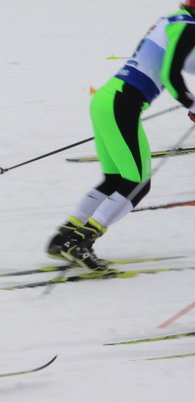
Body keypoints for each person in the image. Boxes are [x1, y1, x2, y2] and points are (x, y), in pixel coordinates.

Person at [47, 2, 195, 270]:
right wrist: (191, 104)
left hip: (105, 99)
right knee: (137, 183)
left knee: (116, 180)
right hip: (121, 104)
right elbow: (171, 75)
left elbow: (188, 63)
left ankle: (63, 238)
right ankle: (81, 242)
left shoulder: (173, 20)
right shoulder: (187, 26)